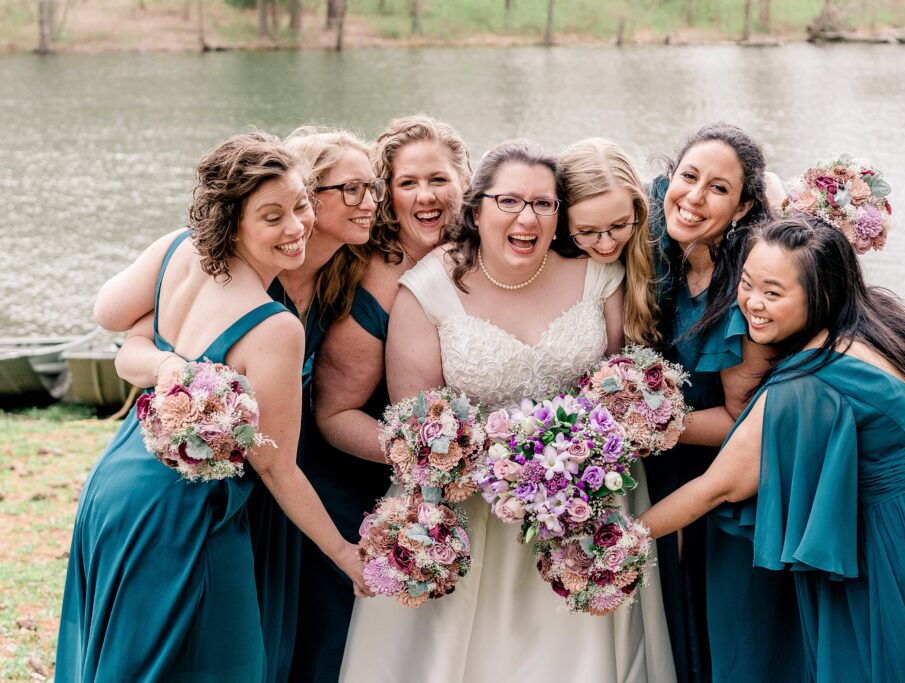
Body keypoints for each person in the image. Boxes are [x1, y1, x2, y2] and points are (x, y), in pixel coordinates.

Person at [339, 141, 675, 683]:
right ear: (476, 210)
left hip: (584, 507)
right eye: (509, 201)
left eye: (543, 204)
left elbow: (613, 393)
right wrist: (500, 471)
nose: (527, 217)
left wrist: (572, 467)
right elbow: (417, 428)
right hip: (471, 510)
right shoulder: (429, 289)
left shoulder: (597, 275)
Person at [639, 216, 905, 681]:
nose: (752, 303)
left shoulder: (806, 385)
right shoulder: (876, 319)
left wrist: (619, 539)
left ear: (819, 293)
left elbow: (716, 489)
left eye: (774, 293)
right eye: (746, 283)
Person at [55, 132, 368, 682]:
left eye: (300, 205)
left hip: (116, 484)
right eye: (272, 216)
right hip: (188, 513)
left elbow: (110, 315)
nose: (296, 227)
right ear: (233, 221)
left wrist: (161, 358)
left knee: (127, 657)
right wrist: (343, 553)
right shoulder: (276, 327)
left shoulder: (178, 248)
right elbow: (276, 464)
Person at [298, 114, 472, 682]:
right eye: (407, 182)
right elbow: (333, 414)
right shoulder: (375, 279)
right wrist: (432, 462)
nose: (426, 196)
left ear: (465, 181)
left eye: (439, 179)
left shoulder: (493, 251)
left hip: (470, 491)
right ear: (386, 195)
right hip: (358, 485)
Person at [644, 122, 775, 680]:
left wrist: (637, 428)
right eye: (688, 176)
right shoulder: (657, 252)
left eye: (718, 189)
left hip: (717, 475)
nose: (694, 197)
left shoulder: (747, 286)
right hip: (656, 462)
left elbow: (739, 421)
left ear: (744, 207)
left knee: (708, 616)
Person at [558, 137, 661, 346]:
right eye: (587, 231)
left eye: (619, 226)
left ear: (638, 209)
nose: (606, 245)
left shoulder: (659, 249)